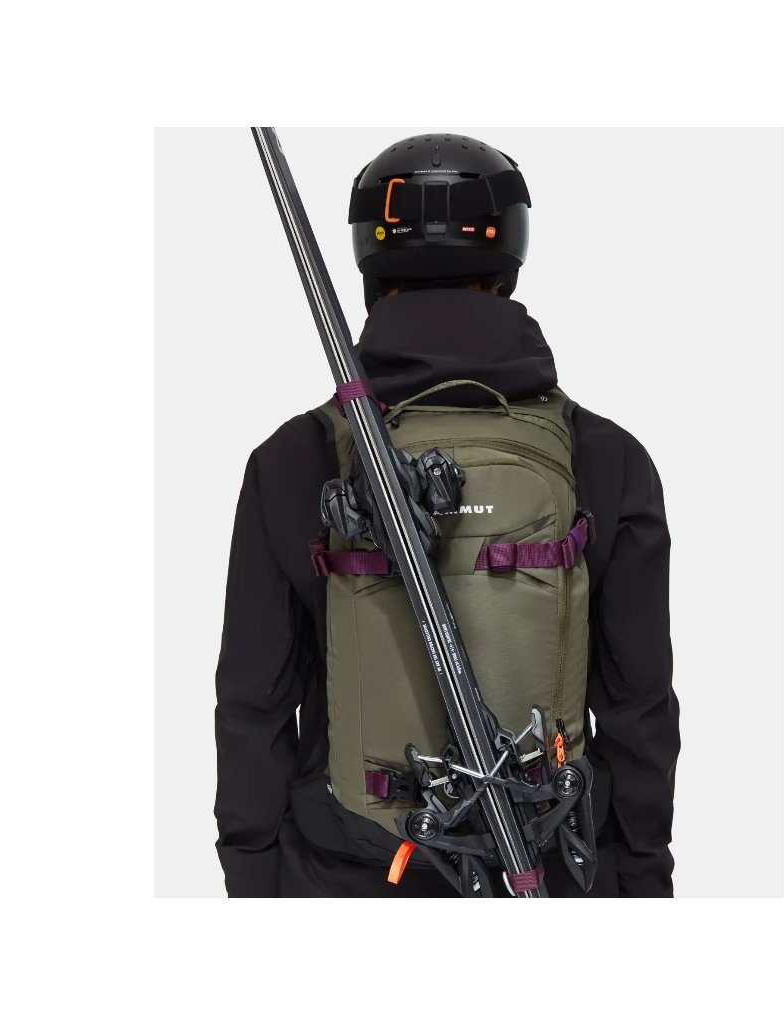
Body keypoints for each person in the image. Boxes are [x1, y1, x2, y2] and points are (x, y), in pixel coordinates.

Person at [215, 132, 680, 897]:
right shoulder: (603, 455)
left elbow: (253, 706)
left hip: (346, 869)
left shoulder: (294, 459)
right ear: (510, 251)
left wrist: (252, 882)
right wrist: (642, 881)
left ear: (370, 257)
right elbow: (639, 712)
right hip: (554, 866)